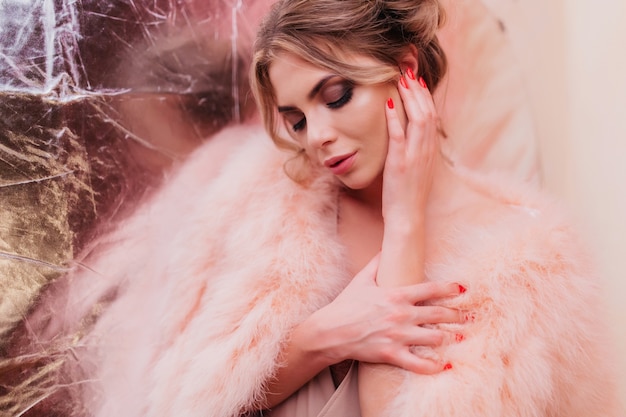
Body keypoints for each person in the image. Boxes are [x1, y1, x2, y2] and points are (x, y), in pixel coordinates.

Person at [6, 0, 621, 416]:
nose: (316, 136)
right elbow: (183, 398)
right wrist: (325, 337)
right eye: (296, 117)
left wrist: (405, 223)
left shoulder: (532, 260)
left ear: (405, 73)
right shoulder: (259, 198)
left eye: (337, 95)